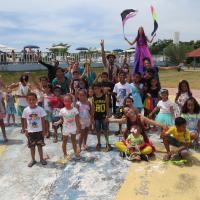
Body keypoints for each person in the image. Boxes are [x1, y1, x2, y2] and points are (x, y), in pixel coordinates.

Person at [22, 92, 47, 167]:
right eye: (29, 100)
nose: (31, 101)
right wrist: (25, 130)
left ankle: (41, 159)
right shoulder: (26, 110)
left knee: (40, 146)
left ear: (36, 100)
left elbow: (43, 120)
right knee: (32, 147)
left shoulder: (40, 109)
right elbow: (24, 120)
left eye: (33, 99)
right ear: (27, 100)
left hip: (39, 131)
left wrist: (44, 130)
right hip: (30, 132)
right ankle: (33, 159)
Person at [54, 94, 81, 159]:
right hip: (65, 128)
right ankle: (65, 154)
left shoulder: (75, 110)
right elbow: (62, 120)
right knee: (64, 140)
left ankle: (75, 152)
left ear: (71, 101)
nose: (67, 102)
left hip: (73, 128)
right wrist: (57, 122)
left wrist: (78, 128)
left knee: (74, 140)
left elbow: (77, 120)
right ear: (63, 102)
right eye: (65, 101)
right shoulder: (62, 110)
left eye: (68, 101)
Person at [92, 82, 112, 151]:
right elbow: (93, 108)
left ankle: (107, 143)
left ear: (100, 88)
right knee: (98, 131)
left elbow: (107, 107)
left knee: (105, 130)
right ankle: (99, 143)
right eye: (94, 89)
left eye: (97, 88)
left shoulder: (105, 96)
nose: (96, 90)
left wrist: (107, 115)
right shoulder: (93, 98)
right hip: (97, 117)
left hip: (104, 117)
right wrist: (92, 118)